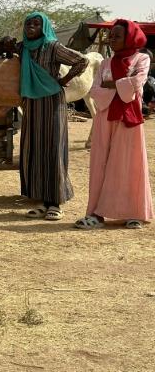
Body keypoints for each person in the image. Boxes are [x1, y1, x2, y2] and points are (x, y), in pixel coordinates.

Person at [75, 20, 152, 230]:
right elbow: (94, 90)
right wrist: (119, 84)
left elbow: (137, 82)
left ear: (129, 38)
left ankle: (134, 213)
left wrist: (112, 85)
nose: (112, 39)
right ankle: (96, 214)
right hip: (105, 117)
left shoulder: (142, 58)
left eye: (117, 36)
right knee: (101, 163)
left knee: (129, 164)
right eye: (111, 36)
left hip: (129, 117)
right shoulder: (105, 63)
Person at [16, 12, 88, 221]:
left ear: (44, 27)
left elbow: (81, 61)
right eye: (28, 23)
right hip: (31, 103)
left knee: (53, 148)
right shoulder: (22, 48)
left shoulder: (53, 46)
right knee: (33, 148)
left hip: (52, 102)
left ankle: (55, 203)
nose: (31, 27)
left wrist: (65, 78)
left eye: (36, 24)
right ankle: (38, 200)